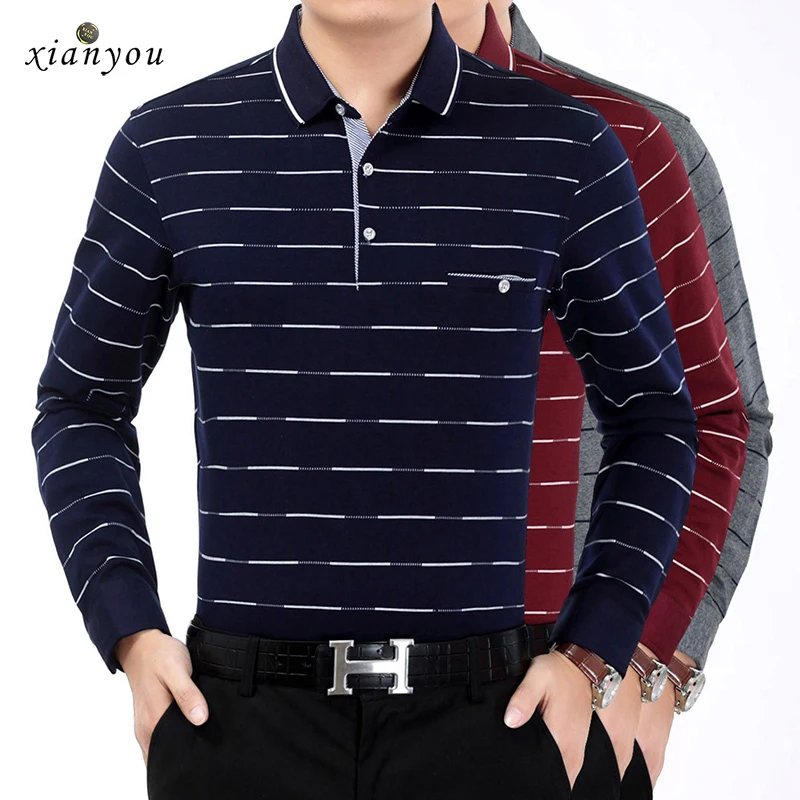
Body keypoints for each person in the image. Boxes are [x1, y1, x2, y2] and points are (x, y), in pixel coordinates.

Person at [29, 3, 698, 798]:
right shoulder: (167, 144)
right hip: (236, 727)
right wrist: (131, 630)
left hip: (493, 725)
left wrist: (590, 652)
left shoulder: (565, 145)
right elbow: (79, 405)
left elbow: (655, 417)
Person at [426, 3, 747, 798]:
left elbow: (719, 418)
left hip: (559, 691)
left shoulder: (631, 141)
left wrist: (651, 657)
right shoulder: (267, 140)